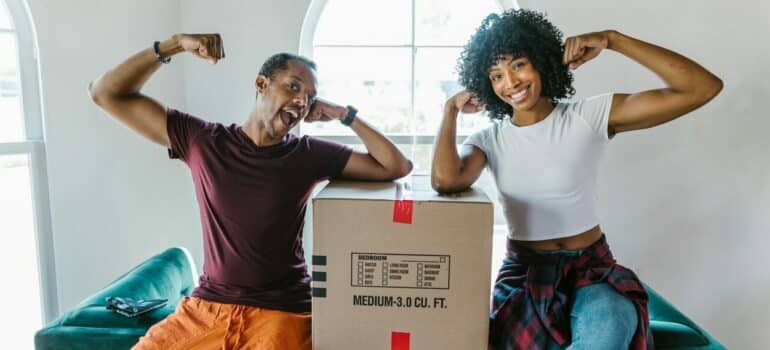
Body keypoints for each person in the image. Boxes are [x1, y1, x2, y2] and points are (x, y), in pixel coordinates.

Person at [89, 33, 412, 349]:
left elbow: (395, 166)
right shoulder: (203, 141)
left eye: (310, 98)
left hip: (282, 311)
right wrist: (174, 44)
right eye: (293, 86)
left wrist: (344, 115)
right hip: (207, 310)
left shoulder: (308, 153)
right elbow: (106, 93)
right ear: (261, 84)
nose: (301, 102)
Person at [431, 9, 722, 349]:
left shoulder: (588, 116)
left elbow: (701, 88)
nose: (510, 83)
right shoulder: (488, 139)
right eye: (496, 75)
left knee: (610, 324)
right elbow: (446, 180)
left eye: (518, 65)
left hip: (592, 269)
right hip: (526, 275)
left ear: (540, 60)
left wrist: (614, 39)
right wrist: (449, 111)